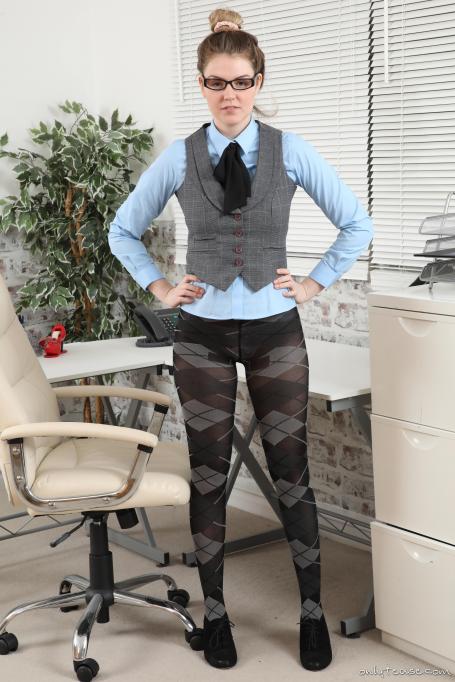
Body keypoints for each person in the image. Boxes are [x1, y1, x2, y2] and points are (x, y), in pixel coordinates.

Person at [108, 7, 374, 672]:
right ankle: (217, 615)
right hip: (200, 335)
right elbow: (121, 230)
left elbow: (356, 224)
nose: (229, 94)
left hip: (274, 331)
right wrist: (159, 286)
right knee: (209, 474)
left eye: (241, 81)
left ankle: (309, 612)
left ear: (259, 81)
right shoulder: (179, 157)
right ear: (201, 84)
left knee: (292, 472)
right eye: (216, 82)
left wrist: (313, 283)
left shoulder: (291, 151)